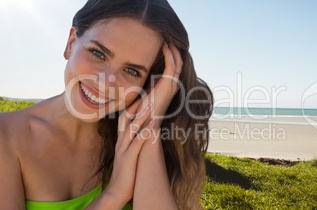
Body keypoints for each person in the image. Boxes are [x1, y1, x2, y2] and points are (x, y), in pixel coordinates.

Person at [0, 0, 213, 209]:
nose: (104, 83)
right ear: (71, 43)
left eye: (132, 71)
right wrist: (115, 194)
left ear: (147, 83)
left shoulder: (140, 141)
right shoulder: (6, 136)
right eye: (97, 53)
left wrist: (150, 120)